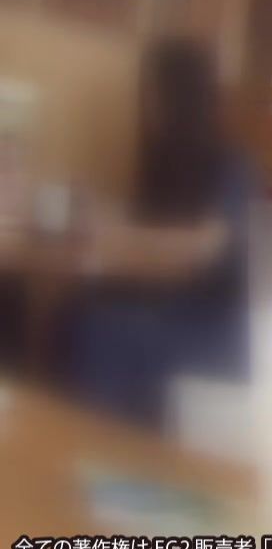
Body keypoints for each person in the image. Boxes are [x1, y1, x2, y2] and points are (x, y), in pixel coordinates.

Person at [64, 36, 255, 427]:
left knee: (99, 328)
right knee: (76, 312)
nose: (145, 104)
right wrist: (103, 220)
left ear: (178, 96)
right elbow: (153, 238)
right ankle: (76, 439)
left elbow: (201, 247)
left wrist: (114, 236)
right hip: (171, 309)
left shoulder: (229, 165)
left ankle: (102, 443)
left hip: (216, 328)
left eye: (152, 91)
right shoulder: (164, 164)